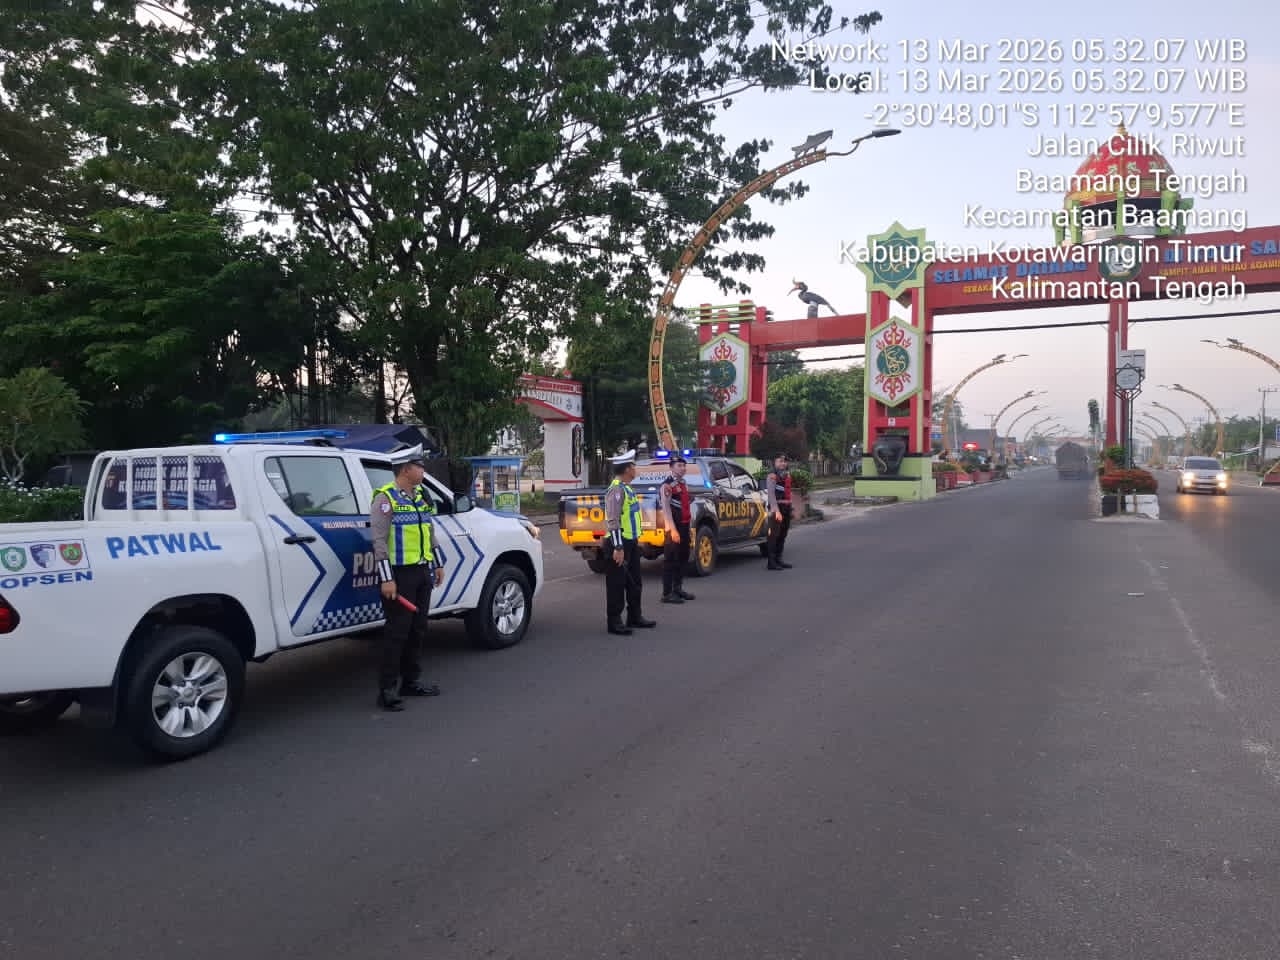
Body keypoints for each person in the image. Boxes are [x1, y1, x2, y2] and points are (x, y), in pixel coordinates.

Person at [370, 444, 445, 710]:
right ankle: (387, 689)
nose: (423, 470)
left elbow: (429, 529)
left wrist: (437, 563)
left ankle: (411, 681)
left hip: (421, 571)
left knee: (418, 629)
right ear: (406, 469)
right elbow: (378, 541)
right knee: (397, 632)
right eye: (420, 465)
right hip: (399, 575)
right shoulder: (385, 498)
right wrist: (387, 579)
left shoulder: (421, 495)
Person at [603, 449, 656, 635]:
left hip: (630, 543)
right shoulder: (616, 490)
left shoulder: (627, 488)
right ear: (627, 469)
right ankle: (615, 623)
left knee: (634, 582)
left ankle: (634, 616)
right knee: (617, 585)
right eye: (633, 466)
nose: (636, 470)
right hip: (619, 544)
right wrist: (618, 547)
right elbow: (613, 520)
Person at [659, 453, 695, 604]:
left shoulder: (683, 483)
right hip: (673, 527)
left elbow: (685, 505)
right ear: (671, 468)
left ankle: (678, 588)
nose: (683, 468)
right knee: (671, 560)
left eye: (684, 465)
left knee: (682, 558)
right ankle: (667, 594)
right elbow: (666, 510)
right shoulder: (667, 486)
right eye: (679, 466)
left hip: (684, 525)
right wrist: (673, 530)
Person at [765, 452, 794, 570]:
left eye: (784, 461)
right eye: (780, 461)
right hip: (776, 509)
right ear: (774, 463)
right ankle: (771, 562)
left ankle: (779, 559)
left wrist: (791, 508)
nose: (782, 463)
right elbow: (771, 495)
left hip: (786, 508)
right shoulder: (772, 476)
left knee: (783, 534)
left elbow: (788, 493)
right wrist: (776, 511)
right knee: (774, 536)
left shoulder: (787, 475)